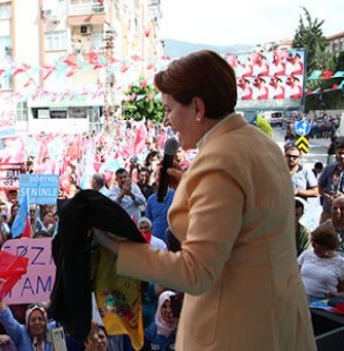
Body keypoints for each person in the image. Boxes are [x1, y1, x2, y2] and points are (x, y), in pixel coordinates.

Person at [98, 50, 315, 350]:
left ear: (197, 107)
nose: (168, 120)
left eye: (170, 109)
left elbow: (196, 272)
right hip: (278, 319)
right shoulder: (260, 143)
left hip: (234, 331)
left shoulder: (219, 160)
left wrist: (119, 249)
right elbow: (246, 218)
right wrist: (189, 185)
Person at [297, 223, 344, 300]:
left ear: (328, 246)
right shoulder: (306, 254)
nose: (314, 247)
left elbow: (342, 291)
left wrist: (336, 294)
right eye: (313, 244)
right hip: (301, 298)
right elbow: (294, 274)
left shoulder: (340, 263)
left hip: (323, 303)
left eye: (318, 246)